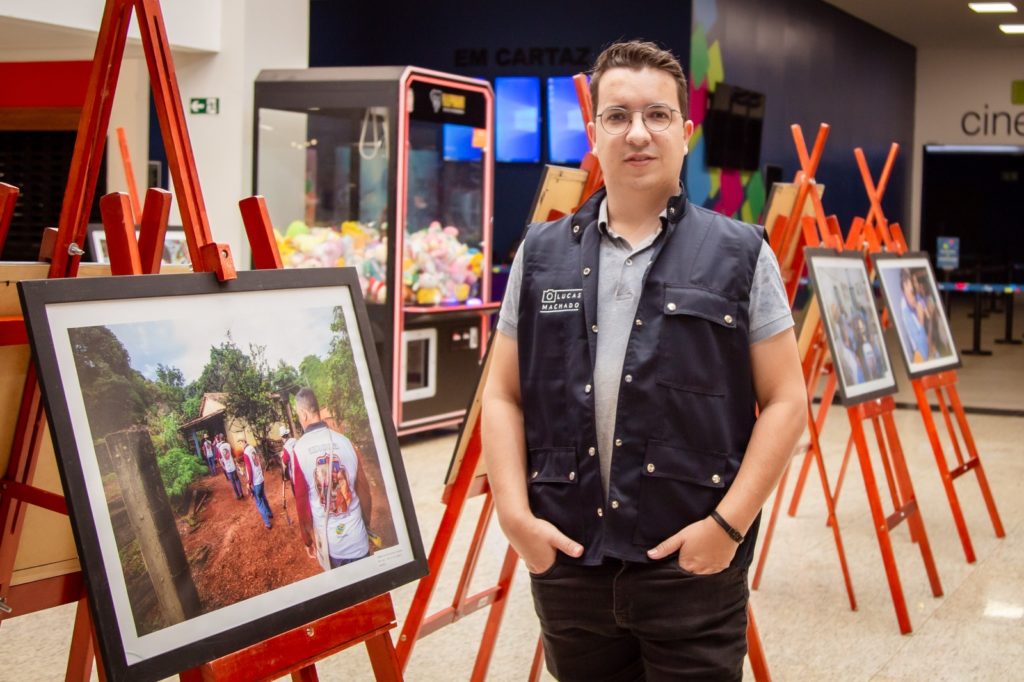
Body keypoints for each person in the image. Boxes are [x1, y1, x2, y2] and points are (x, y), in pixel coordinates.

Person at [481, 40, 806, 681]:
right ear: (593, 132)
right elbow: (503, 394)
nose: (637, 133)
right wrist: (515, 518)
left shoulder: (741, 255)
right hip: (570, 565)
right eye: (618, 116)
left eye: (657, 115)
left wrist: (728, 527)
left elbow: (787, 401)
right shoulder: (540, 254)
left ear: (686, 132)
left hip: (691, 566)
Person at [291, 387, 371, 570]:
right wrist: (365, 525)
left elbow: (302, 503)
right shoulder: (345, 442)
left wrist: (307, 540)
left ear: (303, 413)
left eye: (298, 414)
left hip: (333, 548)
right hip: (359, 540)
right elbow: (364, 491)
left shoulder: (299, 450)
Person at [898, 268, 931, 362]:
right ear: (905, 285)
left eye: (916, 281)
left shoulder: (915, 296)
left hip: (928, 345)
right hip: (921, 356)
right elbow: (923, 351)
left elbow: (923, 302)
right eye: (914, 282)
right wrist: (921, 320)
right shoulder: (906, 313)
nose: (917, 285)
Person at [240, 438, 273, 529]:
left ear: (244, 442)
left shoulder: (246, 453)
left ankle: (267, 523)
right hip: (260, 478)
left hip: (255, 481)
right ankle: (270, 513)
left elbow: (249, 469)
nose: (240, 445)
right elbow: (258, 462)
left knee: (259, 502)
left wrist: (249, 482)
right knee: (263, 497)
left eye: (241, 443)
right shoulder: (252, 448)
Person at [216, 434, 244, 500]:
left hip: (227, 468)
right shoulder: (228, 445)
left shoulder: (219, 448)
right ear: (224, 438)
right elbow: (233, 455)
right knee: (237, 480)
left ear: (219, 439)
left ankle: (237, 495)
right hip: (233, 466)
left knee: (233, 482)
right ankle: (241, 493)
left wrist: (224, 467)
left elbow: (220, 460)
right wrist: (236, 463)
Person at [280, 425, 297, 491]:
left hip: (293, 470)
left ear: (282, 437)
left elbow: (285, 461)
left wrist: (282, 456)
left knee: (295, 489)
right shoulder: (295, 440)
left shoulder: (286, 446)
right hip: (301, 465)